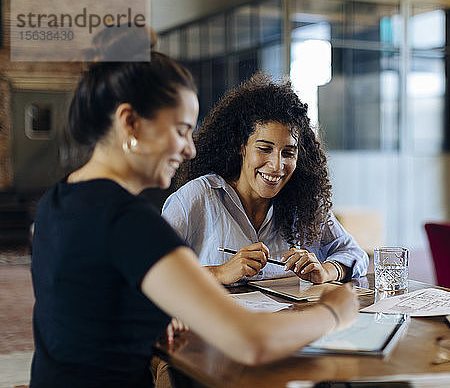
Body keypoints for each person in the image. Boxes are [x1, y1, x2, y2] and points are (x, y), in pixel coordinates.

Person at [29, 31, 358, 387]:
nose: (190, 150)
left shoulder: (59, 199)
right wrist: (334, 311)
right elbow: (251, 342)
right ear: (130, 123)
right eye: (182, 130)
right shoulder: (128, 221)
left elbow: (95, 307)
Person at [162, 74, 369, 285]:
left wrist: (326, 270)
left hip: (290, 317)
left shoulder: (305, 204)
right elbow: (151, 271)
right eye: (264, 149)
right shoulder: (196, 198)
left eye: (288, 152)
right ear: (241, 146)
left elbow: (353, 253)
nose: (277, 165)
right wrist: (219, 272)